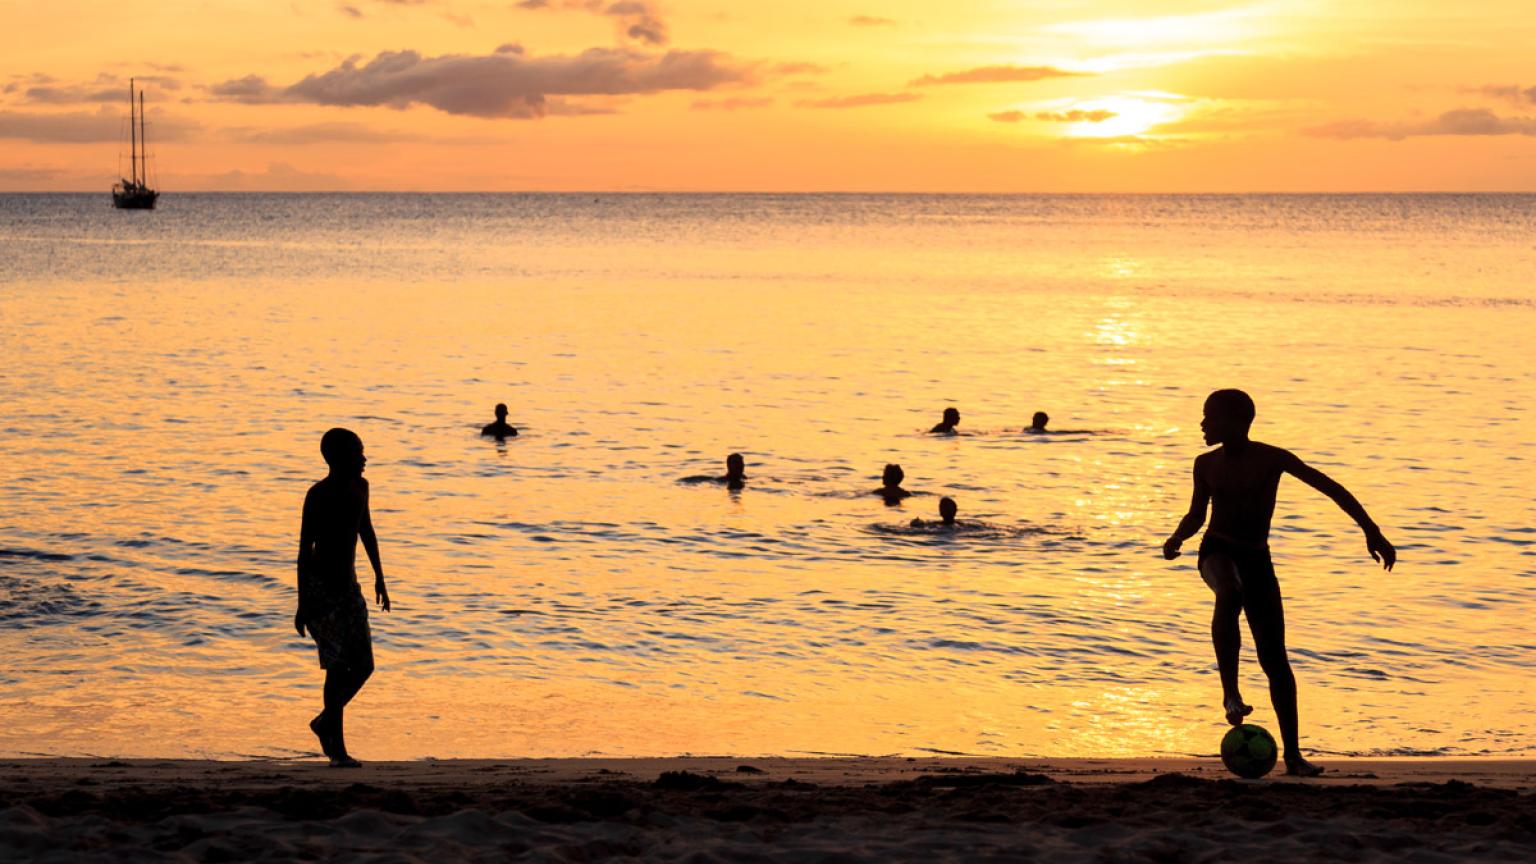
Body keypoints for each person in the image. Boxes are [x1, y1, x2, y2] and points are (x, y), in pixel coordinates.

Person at [1162, 389, 1395, 778]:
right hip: (1216, 551)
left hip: (1257, 558)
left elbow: (1332, 489)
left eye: (1210, 417)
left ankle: (1294, 757)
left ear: (1238, 422)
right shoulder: (1204, 464)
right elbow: (1197, 514)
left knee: (1276, 660)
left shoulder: (1272, 459)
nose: (1203, 423)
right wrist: (1176, 539)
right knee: (1230, 591)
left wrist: (1371, 531)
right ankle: (1231, 693)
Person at [295, 428, 392, 768]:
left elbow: (366, 530)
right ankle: (337, 749)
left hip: (350, 589)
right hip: (322, 592)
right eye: (358, 453)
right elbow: (305, 550)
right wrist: (302, 602)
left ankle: (324, 722)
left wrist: (380, 577)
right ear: (338, 459)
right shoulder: (318, 495)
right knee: (335, 669)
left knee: (364, 664)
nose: (364, 459)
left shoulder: (361, 488)